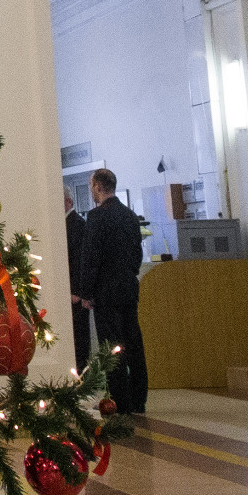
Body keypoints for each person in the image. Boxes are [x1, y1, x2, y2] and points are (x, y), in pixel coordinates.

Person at [84, 169, 150, 416]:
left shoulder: (96, 218)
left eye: (92, 186)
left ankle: (120, 401)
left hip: (106, 291)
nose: (92, 190)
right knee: (134, 342)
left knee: (112, 346)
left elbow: (92, 257)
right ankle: (139, 398)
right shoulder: (130, 216)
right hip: (129, 287)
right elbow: (136, 255)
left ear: (99, 187)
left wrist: (86, 291)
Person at [62, 184, 99, 370]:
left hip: (75, 294)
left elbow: (80, 261)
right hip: (69, 292)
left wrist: (77, 291)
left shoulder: (76, 224)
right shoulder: (64, 225)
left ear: (68, 202)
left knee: (80, 340)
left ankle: (82, 378)